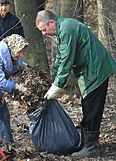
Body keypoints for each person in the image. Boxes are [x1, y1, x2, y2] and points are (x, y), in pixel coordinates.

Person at [35, 10, 116, 158]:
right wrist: (53, 81)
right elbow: (60, 57)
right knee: (88, 106)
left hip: (96, 70)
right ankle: (86, 144)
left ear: (51, 22)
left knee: (91, 109)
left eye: (44, 30)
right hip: (88, 71)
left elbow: (67, 60)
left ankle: (91, 147)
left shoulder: (67, 29)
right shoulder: (62, 29)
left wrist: (58, 85)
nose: (44, 34)